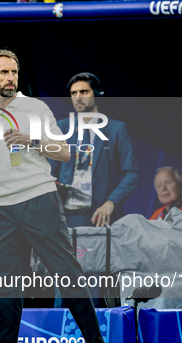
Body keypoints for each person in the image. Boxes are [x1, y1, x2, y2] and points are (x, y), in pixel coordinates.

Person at [0, 49, 117, 343]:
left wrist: (32, 141)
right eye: (3, 72)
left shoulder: (36, 108)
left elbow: (63, 152)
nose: (10, 78)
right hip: (3, 211)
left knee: (69, 275)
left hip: (40, 201)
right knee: (8, 287)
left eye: (14, 72)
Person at [49, 72, 139, 228]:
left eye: (84, 92)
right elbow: (50, 170)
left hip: (103, 217)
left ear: (97, 94)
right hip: (67, 217)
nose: (78, 97)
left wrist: (112, 202)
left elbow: (132, 173)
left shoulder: (117, 129)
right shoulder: (61, 128)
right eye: (73, 93)